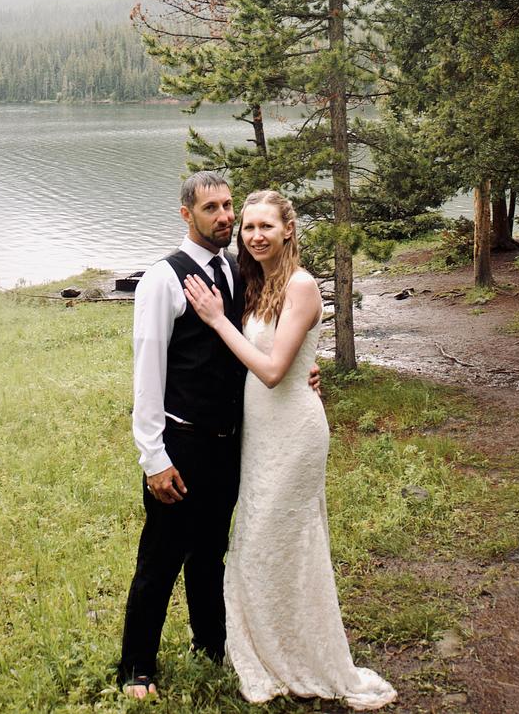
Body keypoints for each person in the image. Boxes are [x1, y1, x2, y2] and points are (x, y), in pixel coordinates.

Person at [183, 189, 397, 710]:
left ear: (288, 230)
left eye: (266, 226)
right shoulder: (258, 282)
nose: (255, 235)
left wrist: (217, 319)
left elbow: (275, 371)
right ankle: (268, 642)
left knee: (279, 542)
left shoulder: (300, 285)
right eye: (248, 226)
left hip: (294, 433)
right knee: (259, 540)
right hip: (260, 434)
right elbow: (282, 354)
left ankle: (297, 652)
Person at [117, 171, 319, 700]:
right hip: (181, 443)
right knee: (160, 557)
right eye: (212, 208)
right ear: (187, 214)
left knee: (210, 553)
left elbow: (266, 344)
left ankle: (210, 643)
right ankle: (137, 666)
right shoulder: (162, 279)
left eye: (229, 206)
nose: (226, 217)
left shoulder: (236, 270)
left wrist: (304, 370)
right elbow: (147, 375)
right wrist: (154, 457)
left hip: (231, 443)